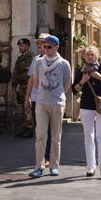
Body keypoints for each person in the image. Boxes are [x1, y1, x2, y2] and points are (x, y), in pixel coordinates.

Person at [29, 35, 71, 178]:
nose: (46, 49)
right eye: (44, 46)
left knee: (55, 136)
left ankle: (54, 165)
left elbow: (67, 85)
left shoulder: (64, 64)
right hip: (41, 103)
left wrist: (55, 94)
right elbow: (35, 83)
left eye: (49, 47)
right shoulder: (38, 62)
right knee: (40, 135)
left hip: (57, 103)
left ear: (56, 48)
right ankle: (39, 167)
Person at [72, 46, 101, 178]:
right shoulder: (81, 71)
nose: (90, 57)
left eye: (93, 54)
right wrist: (83, 81)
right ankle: (90, 167)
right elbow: (74, 90)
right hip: (86, 106)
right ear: (83, 57)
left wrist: (100, 77)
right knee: (88, 136)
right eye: (88, 54)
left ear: (97, 56)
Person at [25, 33, 51, 165]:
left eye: (43, 42)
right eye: (39, 43)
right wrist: (27, 97)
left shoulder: (56, 60)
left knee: (48, 129)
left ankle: (48, 156)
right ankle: (41, 155)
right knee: (39, 129)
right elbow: (30, 78)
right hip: (36, 98)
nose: (40, 45)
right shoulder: (36, 59)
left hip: (50, 100)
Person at [11, 38, 35, 138]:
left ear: (27, 46)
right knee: (23, 108)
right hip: (21, 87)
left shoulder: (32, 58)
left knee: (28, 108)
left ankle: (29, 128)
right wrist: (13, 88)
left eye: (22, 46)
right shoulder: (19, 59)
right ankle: (25, 127)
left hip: (30, 87)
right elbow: (15, 74)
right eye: (19, 46)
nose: (20, 48)